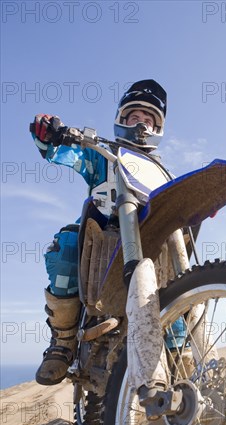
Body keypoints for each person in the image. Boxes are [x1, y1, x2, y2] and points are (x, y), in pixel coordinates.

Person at [30, 79, 167, 386]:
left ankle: (180, 351)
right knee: (65, 244)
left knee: (177, 281)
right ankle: (63, 341)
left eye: (149, 119)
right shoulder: (102, 155)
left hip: (148, 243)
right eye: (136, 117)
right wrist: (49, 134)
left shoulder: (162, 172)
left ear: (158, 128)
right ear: (122, 119)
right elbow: (66, 153)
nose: (142, 124)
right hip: (103, 235)